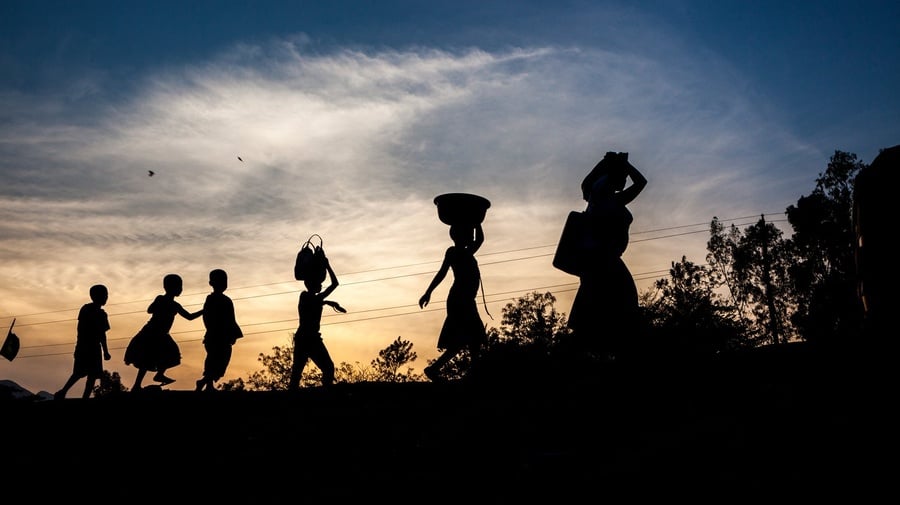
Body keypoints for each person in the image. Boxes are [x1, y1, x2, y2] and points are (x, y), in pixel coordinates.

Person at [568, 151, 647, 360]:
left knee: (614, 305)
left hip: (607, 260)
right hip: (602, 260)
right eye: (622, 176)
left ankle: (604, 350)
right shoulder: (601, 194)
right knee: (616, 304)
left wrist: (621, 164)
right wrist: (614, 164)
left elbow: (641, 182)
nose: (625, 180)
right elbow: (638, 182)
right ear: (612, 175)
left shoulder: (613, 199)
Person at [419, 222, 487, 382]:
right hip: (460, 300)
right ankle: (436, 369)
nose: (472, 236)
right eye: (469, 233)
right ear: (461, 236)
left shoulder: (465, 252)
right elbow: (442, 273)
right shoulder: (457, 252)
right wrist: (476, 221)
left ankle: (438, 369)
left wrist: (476, 222)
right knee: (470, 337)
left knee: (472, 338)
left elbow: (479, 239)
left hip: (465, 299)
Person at [124, 273, 202, 390]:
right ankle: (138, 384)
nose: (181, 289)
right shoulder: (162, 299)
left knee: (168, 355)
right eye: (179, 286)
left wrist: (204, 311)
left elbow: (189, 317)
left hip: (161, 335)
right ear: (170, 287)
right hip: (151, 333)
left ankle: (157, 375)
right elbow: (149, 310)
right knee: (147, 359)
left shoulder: (175, 305)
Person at [288, 257, 346, 390]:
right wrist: (327, 265)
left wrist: (328, 302)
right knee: (327, 368)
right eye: (318, 282)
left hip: (305, 338)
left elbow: (331, 287)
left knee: (297, 373)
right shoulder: (305, 296)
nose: (321, 284)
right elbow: (333, 285)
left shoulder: (311, 297)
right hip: (309, 339)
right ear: (312, 283)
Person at [54, 284, 112, 399]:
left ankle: (83, 397)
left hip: (93, 347)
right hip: (85, 346)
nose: (106, 297)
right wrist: (104, 350)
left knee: (92, 375)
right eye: (104, 295)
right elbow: (84, 329)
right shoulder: (87, 309)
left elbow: (102, 335)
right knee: (79, 372)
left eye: (106, 295)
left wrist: (105, 351)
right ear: (95, 296)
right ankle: (63, 391)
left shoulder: (101, 314)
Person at [195, 269, 243, 392]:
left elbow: (231, 319)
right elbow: (207, 317)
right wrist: (212, 330)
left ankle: (206, 383)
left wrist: (233, 334)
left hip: (223, 337)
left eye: (224, 281)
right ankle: (205, 383)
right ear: (211, 283)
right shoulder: (211, 299)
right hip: (215, 337)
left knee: (219, 362)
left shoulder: (227, 300)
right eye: (220, 281)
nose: (223, 284)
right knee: (214, 361)